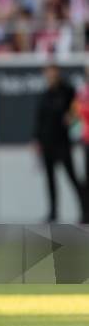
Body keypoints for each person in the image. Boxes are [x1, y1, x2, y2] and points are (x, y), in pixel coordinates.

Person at [33, 64, 83, 223]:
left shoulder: (67, 90)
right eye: (47, 72)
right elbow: (39, 119)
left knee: (73, 178)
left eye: (52, 71)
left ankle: (85, 211)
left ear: (57, 72)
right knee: (50, 179)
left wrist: (71, 116)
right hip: (47, 142)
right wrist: (36, 139)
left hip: (62, 142)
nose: (50, 75)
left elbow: (78, 106)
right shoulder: (45, 94)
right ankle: (53, 212)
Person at [73, 66, 89, 223]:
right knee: (85, 179)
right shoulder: (83, 91)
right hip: (86, 140)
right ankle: (85, 213)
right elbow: (76, 113)